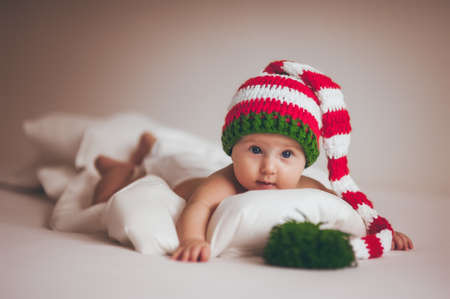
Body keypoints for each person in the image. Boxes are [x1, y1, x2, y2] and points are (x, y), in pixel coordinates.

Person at [93, 60, 413, 263]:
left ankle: (152, 142)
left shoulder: (309, 186)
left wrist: (383, 232)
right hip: (180, 182)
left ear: (305, 160)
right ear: (232, 149)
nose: (269, 167)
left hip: (192, 165)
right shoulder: (222, 182)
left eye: (286, 154)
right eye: (255, 150)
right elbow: (197, 208)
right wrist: (193, 240)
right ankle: (121, 167)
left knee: (179, 153)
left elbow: (347, 211)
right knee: (118, 195)